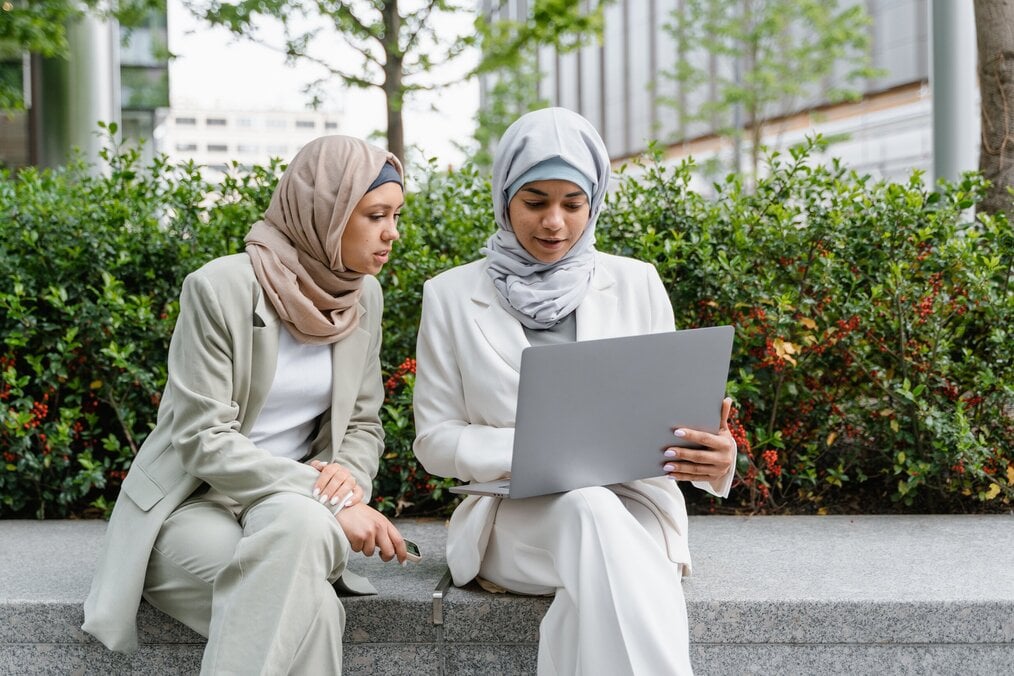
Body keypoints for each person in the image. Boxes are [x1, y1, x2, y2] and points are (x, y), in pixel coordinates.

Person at [412, 108, 737, 675]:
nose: (554, 223)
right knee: (588, 508)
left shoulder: (637, 283)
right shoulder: (449, 295)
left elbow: (672, 417)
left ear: (594, 202)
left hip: (636, 510)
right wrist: (531, 451)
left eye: (573, 203)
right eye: (535, 202)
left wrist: (716, 458)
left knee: (593, 566)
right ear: (504, 197)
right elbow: (434, 439)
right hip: (511, 520)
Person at [82, 135, 411, 674]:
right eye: (376, 215)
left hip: (291, 509)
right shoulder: (220, 288)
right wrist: (327, 499)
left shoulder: (362, 296)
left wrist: (345, 482)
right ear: (324, 212)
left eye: (396, 215)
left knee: (300, 536)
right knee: (316, 610)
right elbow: (201, 439)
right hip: (193, 505)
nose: (392, 232)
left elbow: (363, 423)